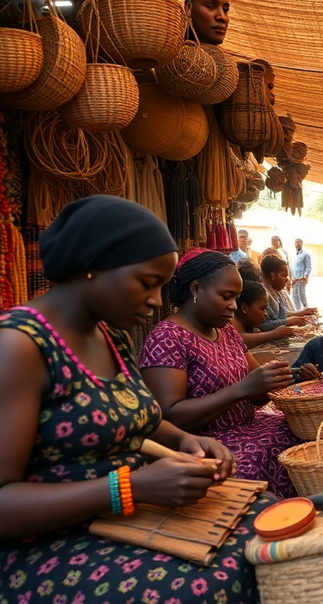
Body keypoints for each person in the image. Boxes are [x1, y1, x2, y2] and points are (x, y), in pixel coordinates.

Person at [0, 196, 263, 603]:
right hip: (50, 545)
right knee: (214, 583)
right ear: (93, 265)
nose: (158, 300)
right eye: (146, 282)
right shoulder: (18, 347)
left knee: (269, 525)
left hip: (122, 515)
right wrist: (128, 487)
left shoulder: (112, 336)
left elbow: (137, 417)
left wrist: (186, 442)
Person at [140, 249, 302, 498]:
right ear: (195, 290)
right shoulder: (167, 337)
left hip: (250, 426)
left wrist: (275, 380)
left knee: (302, 434)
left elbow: (257, 395)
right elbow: (170, 416)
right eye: (226, 296)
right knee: (248, 465)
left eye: (236, 298)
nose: (233, 306)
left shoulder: (227, 332)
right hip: (206, 443)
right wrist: (241, 389)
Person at [234, 278, 295, 348]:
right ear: (244, 308)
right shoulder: (232, 324)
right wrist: (273, 334)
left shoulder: (250, 327)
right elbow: (237, 339)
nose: (266, 314)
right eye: (262, 309)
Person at [259, 255, 315, 331]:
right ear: (273, 275)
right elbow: (264, 325)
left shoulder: (277, 292)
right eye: (284, 276)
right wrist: (287, 322)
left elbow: (283, 314)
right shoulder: (261, 295)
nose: (287, 280)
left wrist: (300, 314)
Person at [291, 237, 312, 311]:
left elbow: (308, 267)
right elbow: (292, 267)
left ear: (302, 243)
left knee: (301, 295)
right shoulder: (294, 255)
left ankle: (306, 310)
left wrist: (305, 277)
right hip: (294, 278)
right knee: (295, 295)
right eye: (295, 242)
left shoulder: (306, 254)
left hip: (301, 278)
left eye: (298, 242)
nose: (297, 244)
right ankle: (298, 311)